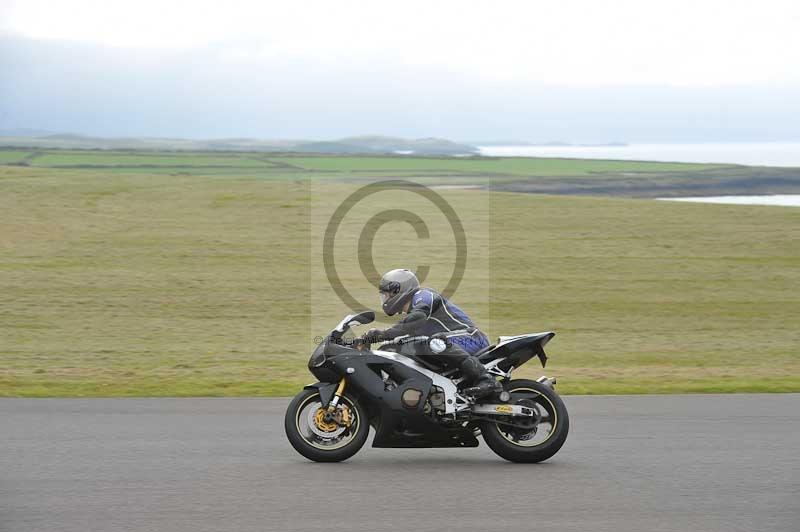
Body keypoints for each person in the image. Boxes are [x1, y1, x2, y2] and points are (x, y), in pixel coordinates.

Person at [361, 268, 502, 398]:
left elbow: (417, 318)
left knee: (434, 342)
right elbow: (399, 339)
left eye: (386, 295)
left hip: (471, 338)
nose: (384, 299)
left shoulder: (423, 296)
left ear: (398, 290)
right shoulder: (412, 317)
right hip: (450, 345)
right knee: (396, 348)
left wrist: (383, 333)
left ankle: (487, 380)